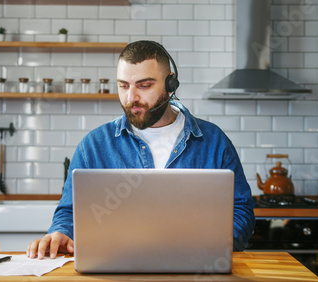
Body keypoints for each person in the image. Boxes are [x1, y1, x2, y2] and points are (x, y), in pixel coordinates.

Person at [27, 40, 255, 259]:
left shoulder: (214, 142)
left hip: (197, 271)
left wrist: (204, 249)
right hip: (112, 271)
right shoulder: (94, 145)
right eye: (123, 86)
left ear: (170, 84)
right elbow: (69, 212)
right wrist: (61, 233)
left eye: (144, 86)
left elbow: (241, 212)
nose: (131, 98)